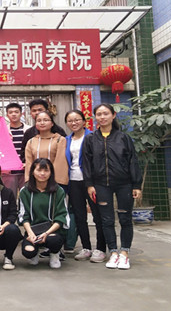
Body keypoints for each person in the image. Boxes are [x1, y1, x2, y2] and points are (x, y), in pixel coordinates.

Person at [83, 103, 142, 270]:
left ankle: (125, 253)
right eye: (99, 114)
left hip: (124, 184)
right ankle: (113, 252)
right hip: (101, 185)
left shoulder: (123, 138)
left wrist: (136, 184)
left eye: (106, 114)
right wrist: (89, 184)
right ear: (95, 117)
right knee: (107, 220)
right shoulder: (90, 139)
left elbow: (132, 161)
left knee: (125, 218)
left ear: (113, 115)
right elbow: (86, 164)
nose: (102, 117)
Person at [64, 109, 106, 263]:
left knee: (98, 216)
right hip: (74, 181)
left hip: (92, 182)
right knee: (79, 216)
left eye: (77, 119)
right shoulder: (67, 139)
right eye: (70, 121)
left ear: (84, 121)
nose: (73, 123)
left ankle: (100, 249)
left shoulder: (93, 137)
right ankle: (86, 247)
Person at [18, 158, 69, 269]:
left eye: (46, 170)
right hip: (33, 230)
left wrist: (46, 233)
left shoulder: (58, 191)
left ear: (51, 173)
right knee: (28, 252)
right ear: (32, 172)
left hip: (52, 232)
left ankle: (55, 254)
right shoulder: (25, 191)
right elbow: (23, 216)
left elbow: (61, 216)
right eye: (39, 170)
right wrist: (30, 233)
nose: (42, 173)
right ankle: (34, 252)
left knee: (54, 240)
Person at [1, 103, 30, 193]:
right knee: (10, 196)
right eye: (11, 112)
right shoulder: (3, 131)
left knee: (26, 196)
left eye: (16, 112)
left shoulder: (29, 130)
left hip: (26, 170)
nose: (13, 114)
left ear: (21, 114)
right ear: (7, 115)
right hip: (9, 171)